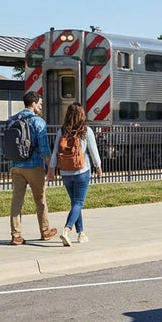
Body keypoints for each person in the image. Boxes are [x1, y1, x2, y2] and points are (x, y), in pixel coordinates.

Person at [47, 102, 102, 246]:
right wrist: (98, 166)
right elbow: (93, 150)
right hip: (81, 171)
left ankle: (81, 233)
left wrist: (51, 168)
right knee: (78, 203)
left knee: (75, 204)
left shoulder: (62, 131)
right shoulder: (86, 131)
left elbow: (55, 152)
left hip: (65, 172)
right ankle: (67, 229)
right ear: (81, 115)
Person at [8, 91, 59, 245]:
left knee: (17, 201)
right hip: (34, 166)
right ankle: (45, 231)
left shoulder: (11, 120)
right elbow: (44, 147)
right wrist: (50, 167)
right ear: (34, 103)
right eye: (40, 104)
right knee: (40, 199)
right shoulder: (38, 122)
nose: (41, 106)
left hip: (16, 165)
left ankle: (16, 235)